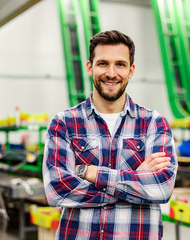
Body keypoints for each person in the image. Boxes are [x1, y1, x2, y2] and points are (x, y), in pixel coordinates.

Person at [43, 30, 177, 240]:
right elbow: (58, 190)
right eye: (103, 63)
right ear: (90, 67)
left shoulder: (154, 123)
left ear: (131, 70)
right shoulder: (64, 123)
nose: (112, 73)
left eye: (120, 64)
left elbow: (161, 188)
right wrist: (136, 182)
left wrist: (91, 173)